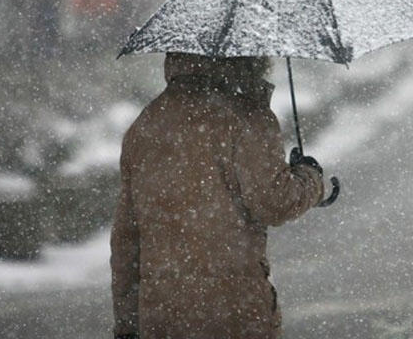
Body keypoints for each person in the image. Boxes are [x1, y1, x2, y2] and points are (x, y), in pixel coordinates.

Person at [110, 53, 325, 339]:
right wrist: (310, 178)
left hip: (162, 316)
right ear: (249, 56)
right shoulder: (247, 118)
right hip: (234, 312)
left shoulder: (147, 124)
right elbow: (275, 202)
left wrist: (127, 325)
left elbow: (127, 240)